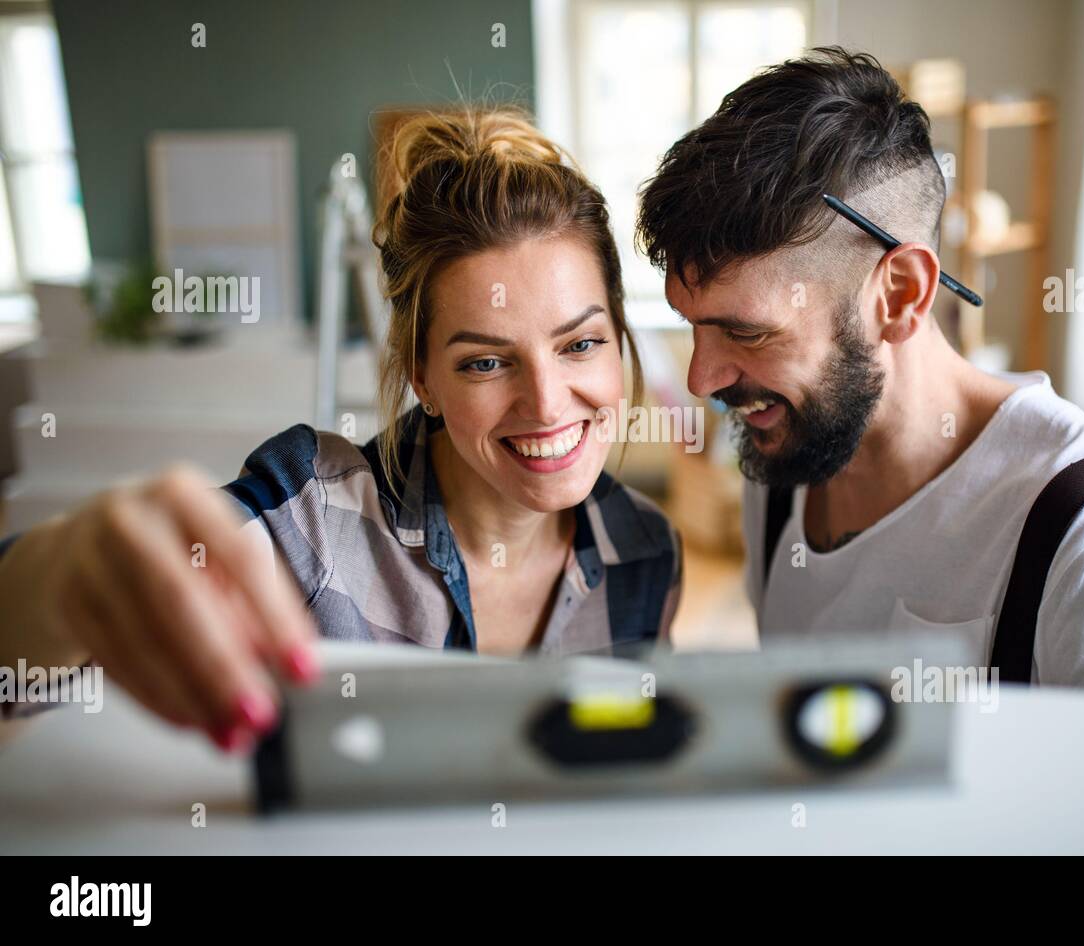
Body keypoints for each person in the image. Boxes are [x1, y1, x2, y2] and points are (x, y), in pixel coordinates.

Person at [0, 107, 681, 751]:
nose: (545, 402)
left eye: (580, 344)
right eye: (485, 361)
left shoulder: (647, 554)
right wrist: (63, 571)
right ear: (422, 376)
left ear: (619, 335)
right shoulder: (312, 520)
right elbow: (28, 668)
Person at [636, 47, 1084, 707]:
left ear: (899, 295)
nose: (701, 377)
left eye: (746, 332)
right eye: (694, 324)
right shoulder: (784, 471)